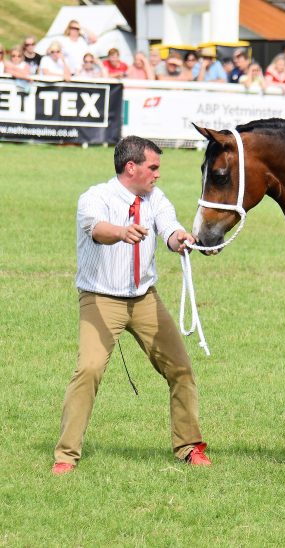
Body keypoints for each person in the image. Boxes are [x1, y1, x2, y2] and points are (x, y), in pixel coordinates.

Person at [51, 136, 211, 475]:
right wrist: (122, 232)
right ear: (131, 167)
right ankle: (66, 456)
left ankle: (189, 447)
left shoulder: (155, 198)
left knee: (180, 369)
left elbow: (168, 227)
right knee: (90, 369)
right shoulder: (95, 197)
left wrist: (178, 237)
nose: (157, 175)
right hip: (100, 297)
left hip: (144, 298)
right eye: (153, 167)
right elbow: (97, 229)